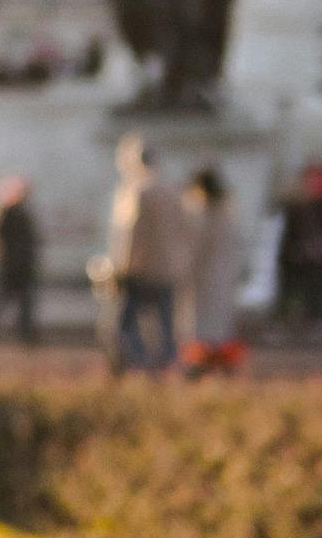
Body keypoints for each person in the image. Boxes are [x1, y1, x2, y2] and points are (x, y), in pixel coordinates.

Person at [104, 136, 183, 377]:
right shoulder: (170, 190)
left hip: (139, 269)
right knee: (165, 324)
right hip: (166, 267)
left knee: (124, 322)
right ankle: (166, 365)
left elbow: (130, 232)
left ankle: (135, 363)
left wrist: (121, 267)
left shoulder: (136, 191)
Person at [179, 163, 248, 373]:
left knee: (201, 322)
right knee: (218, 321)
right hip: (221, 273)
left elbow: (194, 245)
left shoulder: (201, 211)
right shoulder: (227, 210)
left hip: (204, 273)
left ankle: (202, 360)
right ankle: (218, 359)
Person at [0, 173, 41, 343]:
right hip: (11, 262)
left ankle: (24, 331)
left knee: (23, 299)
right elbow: (0, 238)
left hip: (21, 262)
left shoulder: (19, 212)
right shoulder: (8, 212)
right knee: (3, 297)